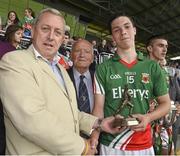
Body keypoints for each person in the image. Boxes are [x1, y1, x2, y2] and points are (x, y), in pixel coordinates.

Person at [0, 8, 122, 155]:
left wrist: (99, 123)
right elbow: (32, 120)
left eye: (58, 32)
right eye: (45, 29)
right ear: (32, 31)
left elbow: (70, 112)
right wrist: (83, 148)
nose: (51, 37)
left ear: (62, 39)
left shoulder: (61, 69)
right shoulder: (14, 61)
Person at [91, 14, 171, 155]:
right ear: (113, 38)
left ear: (134, 30)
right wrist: (94, 140)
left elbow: (165, 104)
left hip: (144, 145)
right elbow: (98, 108)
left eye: (127, 27)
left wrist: (148, 118)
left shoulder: (152, 67)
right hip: (111, 144)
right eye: (117, 30)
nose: (123, 32)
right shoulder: (103, 68)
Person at [146, 35, 180, 154]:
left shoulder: (166, 72)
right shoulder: (141, 68)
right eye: (160, 45)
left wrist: (176, 105)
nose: (165, 49)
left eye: (166, 46)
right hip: (147, 123)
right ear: (150, 48)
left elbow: (172, 96)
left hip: (166, 123)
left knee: (166, 151)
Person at [67, 39, 94, 113]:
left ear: (92, 58)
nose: (82, 55)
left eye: (87, 52)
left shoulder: (99, 78)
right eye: (78, 51)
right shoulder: (62, 77)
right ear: (71, 55)